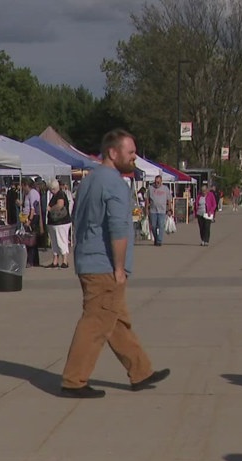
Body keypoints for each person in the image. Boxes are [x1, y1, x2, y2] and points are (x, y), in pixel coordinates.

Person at [59, 129, 169, 398]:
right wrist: (119, 268)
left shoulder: (89, 180)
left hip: (88, 260)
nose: (134, 157)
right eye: (130, 152)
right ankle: (73, 380)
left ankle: (141, 370)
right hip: (104, 266)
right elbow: (118, 228)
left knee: (116, 320)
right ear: (112, 152)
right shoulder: (115, 184)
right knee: (95, 322)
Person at [46, 179, 72, 268]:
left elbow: (60, 205)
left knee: (61, 241)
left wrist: (50, 209)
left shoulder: (60, 194)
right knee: (55, 242)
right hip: (55, 223)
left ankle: (65, 260)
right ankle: (55, 261)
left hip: (61, 222)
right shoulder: (56, 195)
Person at [146, 175, 172, 246]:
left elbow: (169, 200)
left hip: (162, 211)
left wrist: (169, 209)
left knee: (161, 225)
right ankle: (156, 238)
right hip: (153, 210)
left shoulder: (165, 188)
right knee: (153, 226)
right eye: (155, 182)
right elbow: (147, 199)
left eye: (158, 182)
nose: (157, 183)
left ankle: (159, 241)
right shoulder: (151, 188)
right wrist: (146, 209)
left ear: (161, 181)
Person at [23, 180, 42, 267]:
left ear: (26, 185)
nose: (23, 188)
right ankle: (34, 261)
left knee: (30, 240)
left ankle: (30, 261)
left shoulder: (32, 193)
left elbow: (33, 208)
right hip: (30, 217)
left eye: (23, 186)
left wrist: (29, 220)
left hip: (32, 218)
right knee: (32, 240)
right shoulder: (29, 193)